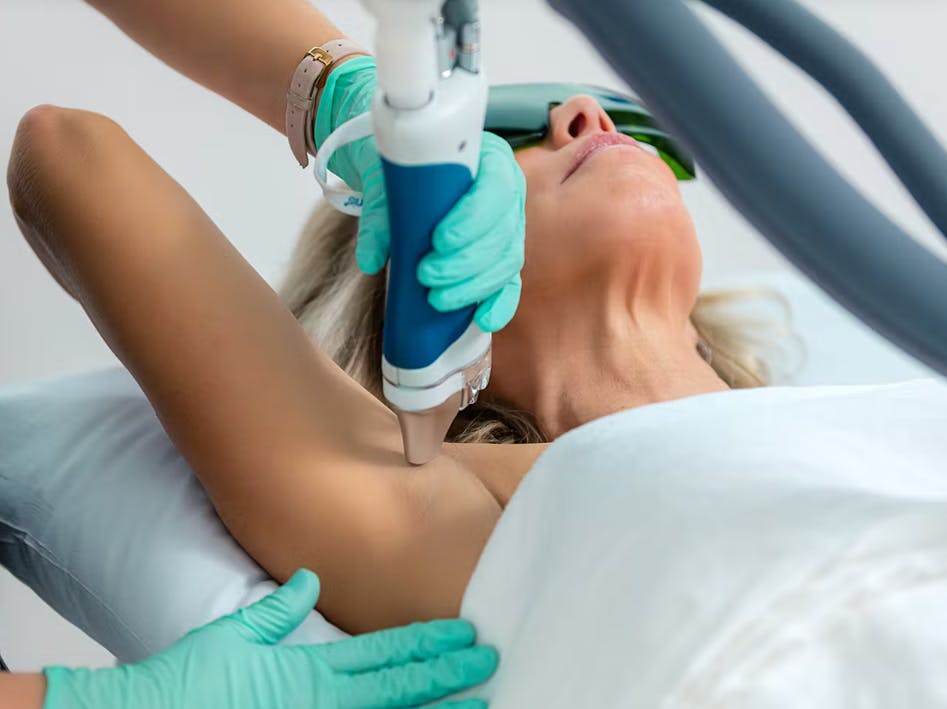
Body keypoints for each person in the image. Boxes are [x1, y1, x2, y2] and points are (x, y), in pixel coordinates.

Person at [5, 0, 791, 651]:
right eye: (497, 142)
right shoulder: (471, 514)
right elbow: (66, 154)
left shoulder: (883, 387)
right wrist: (350, 104)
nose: (584, 114)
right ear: (407, 305)